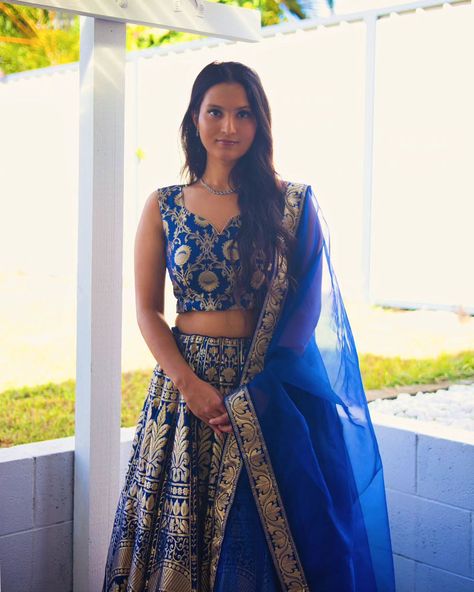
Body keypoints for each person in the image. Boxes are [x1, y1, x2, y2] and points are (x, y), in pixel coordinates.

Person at [102, 61, 396, 592]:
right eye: (215, 112)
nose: (229, 127)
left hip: (270, 392)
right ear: (194, 119)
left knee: (270, 547)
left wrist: (256, 394)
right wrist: (190, 386)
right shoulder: (164, 206)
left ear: (260, 123)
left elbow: (304, 310)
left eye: (243, 114)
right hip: (185, 395)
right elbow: (148, 310)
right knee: (180, 537)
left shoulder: (292, 205)